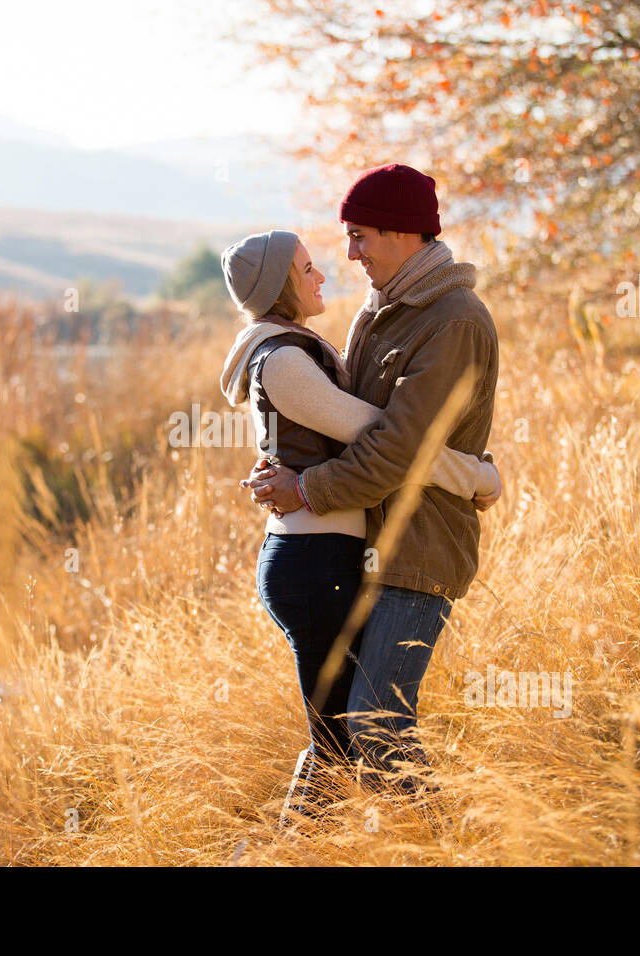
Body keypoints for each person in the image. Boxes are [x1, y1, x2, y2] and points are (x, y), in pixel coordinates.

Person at [219, 226, 500, 823]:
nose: (323, 274)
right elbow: (384, 436)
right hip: (314, 566)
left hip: (320, 560)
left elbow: (372, 439)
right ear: (278, 286)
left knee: (340, 740)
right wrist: (476, 476)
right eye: (307, 268)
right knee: (355, 734)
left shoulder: (294, 349)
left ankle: (281, 855)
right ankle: (447, 843)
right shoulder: (288, 361)